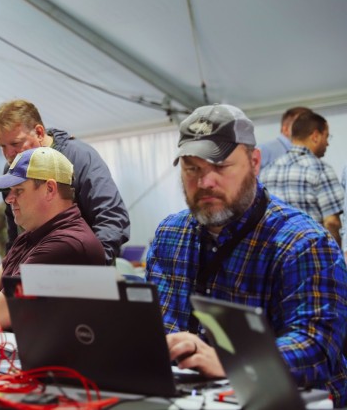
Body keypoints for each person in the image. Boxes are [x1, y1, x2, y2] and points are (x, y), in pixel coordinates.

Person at [146, 104, 347, 406]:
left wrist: (233, 363)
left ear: (254, 162)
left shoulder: (303, 243)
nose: (205, 182)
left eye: (221, 166)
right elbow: (159, 327)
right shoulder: (169, 235)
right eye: (192, 168)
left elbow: (316, 347)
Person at [0, 147, 105, 330]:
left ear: (50, 189)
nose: (9, 199)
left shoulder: (67, 244)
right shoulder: (31, 235)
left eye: (18, 190)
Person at [0, 99, 130, 265]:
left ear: (40, 133)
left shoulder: (80, 158)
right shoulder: (11, 169)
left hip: (84, 275)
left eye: (15, 143)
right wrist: (12, 270)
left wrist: (92, 266)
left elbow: (111, 216)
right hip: (35, 274)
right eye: (2, 146)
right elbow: (14, 230)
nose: (9, 154)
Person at [261, 111, 344, 247]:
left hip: (274, 254)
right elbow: (332, 222)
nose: (327, 143)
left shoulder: (266, 172)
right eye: (327, 136)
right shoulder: (320, 169)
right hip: (313, 254)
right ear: (316, 136)